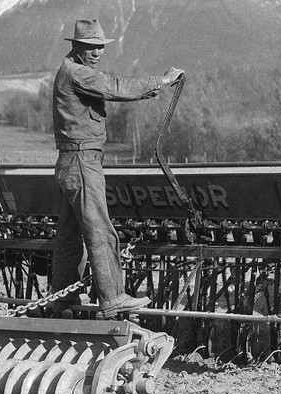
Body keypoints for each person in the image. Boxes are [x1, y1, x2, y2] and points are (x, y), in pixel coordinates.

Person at [50, 18, 184, 317]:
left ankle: (63, 297)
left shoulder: (70, 70)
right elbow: (115, 87)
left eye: (100, 47)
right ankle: (112, 298)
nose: (97, 52)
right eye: (91, 47)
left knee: (69, 236)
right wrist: (161, 81)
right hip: (83, 162)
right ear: (77, 46)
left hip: (72, 162)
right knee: (100, 230)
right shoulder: (77, 73)